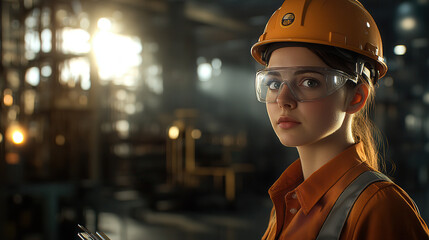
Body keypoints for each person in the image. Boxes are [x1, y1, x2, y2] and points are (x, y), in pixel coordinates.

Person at [250, 0, 429, 239]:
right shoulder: (289, 199)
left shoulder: (380, 210)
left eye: (309, 82)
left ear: (356, 96)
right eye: (273, 83)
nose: (283, 100)